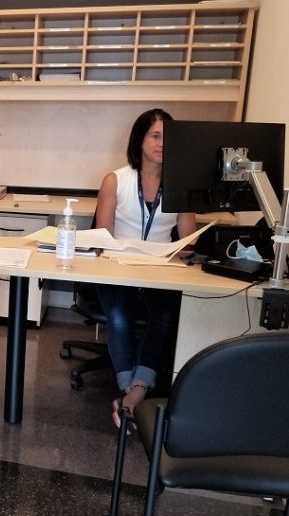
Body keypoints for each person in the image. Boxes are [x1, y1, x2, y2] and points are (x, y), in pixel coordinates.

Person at [94, 108, 196, 429]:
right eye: (155, 135)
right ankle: (131, 388)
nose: (162, 143)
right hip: (118, 264)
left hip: (159, 268)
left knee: (163, 316)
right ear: (139, 140)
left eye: (168, 138)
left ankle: (135, 391)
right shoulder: (115, 180)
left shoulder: (180, 185)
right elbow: (103, 235)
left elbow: (188, 241)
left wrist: (186, 241)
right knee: (118, 315)